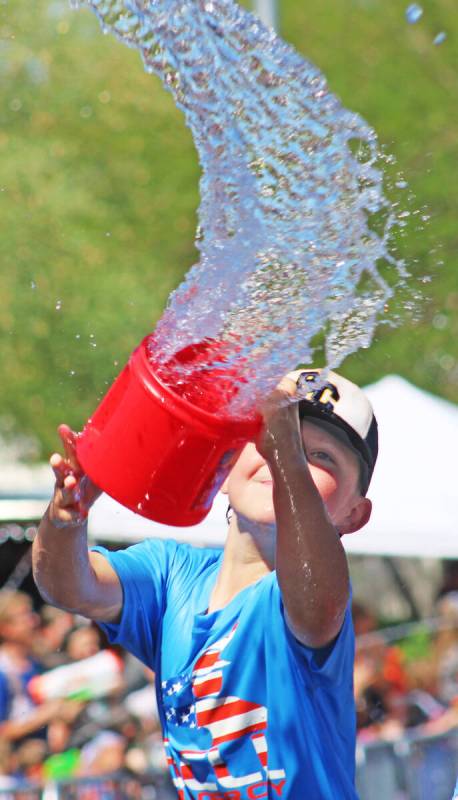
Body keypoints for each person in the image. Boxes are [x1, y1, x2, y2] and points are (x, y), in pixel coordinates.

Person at [33, 368, 378, 799]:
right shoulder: (170, 571)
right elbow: (68, 586)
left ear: (353, 515)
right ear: (228, 462)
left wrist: (287, 453)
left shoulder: (306, 597)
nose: (280, 453)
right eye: (267, 438)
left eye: (322, 456)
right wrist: (67, 518)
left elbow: (315, 598)